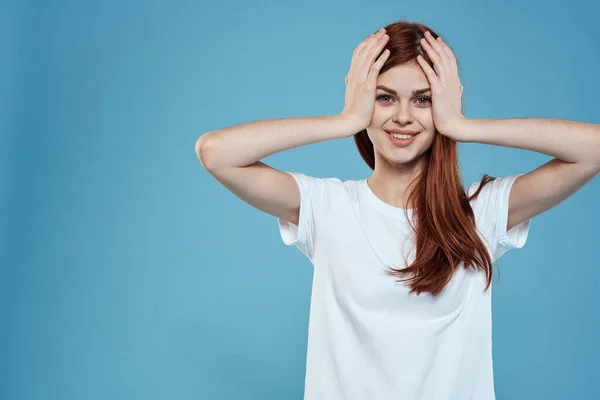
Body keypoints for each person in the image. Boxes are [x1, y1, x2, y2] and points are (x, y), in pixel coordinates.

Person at [195, 19, 600, 400]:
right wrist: (347, 118)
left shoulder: (480, 211)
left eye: (422, 100)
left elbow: (592, 148)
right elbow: (216, 153)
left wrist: (462, 126)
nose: (403, 116)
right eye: (385, 97)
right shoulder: (326, 206)